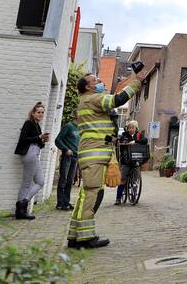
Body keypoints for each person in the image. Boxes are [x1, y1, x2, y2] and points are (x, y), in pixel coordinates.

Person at [66, 69, 148, 249]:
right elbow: (116, 100)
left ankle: (74, 236)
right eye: (96, 80)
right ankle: (86, 238)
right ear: (88, 87)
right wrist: (135, 83)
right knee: (92, 194)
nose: (100, 81)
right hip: (94, 154)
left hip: (90, 153)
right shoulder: (93, 98)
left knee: (85, 195)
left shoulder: (83, 102)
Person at [14, 102, 51, 220]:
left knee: (40, 181)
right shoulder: (28, 123)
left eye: (42, 112)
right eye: (38, 112)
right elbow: (23, 139)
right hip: (29, 153)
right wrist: (39, 137)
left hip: (35, 152)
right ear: (33, 113)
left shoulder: (37, 125)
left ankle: (23, 203)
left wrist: (43, 140)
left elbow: (38, 142)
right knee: (26, 182)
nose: (41, 114)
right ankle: (21, 210)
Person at [115, 120, 144, 205]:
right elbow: (120, 142)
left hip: (135, 160)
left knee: (135, 180)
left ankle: (134, 196)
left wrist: (135, 142)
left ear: (136, 128)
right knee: (123, 179)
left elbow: (144, 140)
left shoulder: (139, 135)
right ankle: (118, 198)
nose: (131, 129)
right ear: (127, 129)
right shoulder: (124, 135)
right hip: (126, 160)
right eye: (129, 128)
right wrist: (125, 143)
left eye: (133, 127)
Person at [54, 117, 79, 210]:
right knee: (63, 179)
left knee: (70, 180)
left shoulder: (79, 128)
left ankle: (66, 202)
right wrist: (65, 149)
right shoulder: (68, 126)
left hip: (75, 157)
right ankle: (60, 203)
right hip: (67, 156)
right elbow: (58, 140)